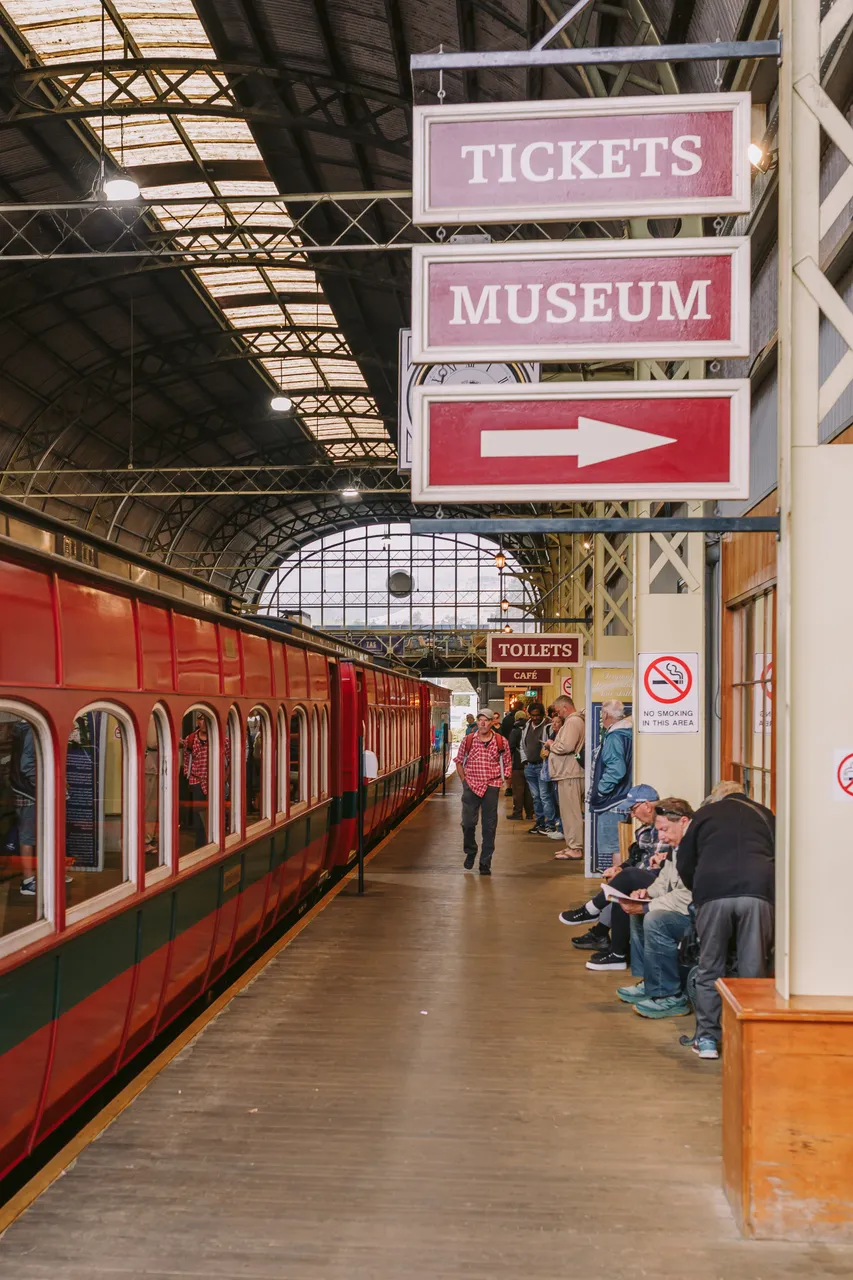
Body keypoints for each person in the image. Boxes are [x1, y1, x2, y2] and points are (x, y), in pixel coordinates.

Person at [676, 780, 775, 1061]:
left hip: (714, 891)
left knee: (710, 966)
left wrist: (699, 891)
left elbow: (685, 860)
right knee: (753, 969)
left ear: (716, 797)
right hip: (758, 893)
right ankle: (750, 1039)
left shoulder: (706, 815)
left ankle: (707, 1038)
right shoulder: (765, 814)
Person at [559, 785, 671, 969]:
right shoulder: (646, 830)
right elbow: (639, 859)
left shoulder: (662, 830)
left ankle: (592, 912)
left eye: (633, 809)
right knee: (622, 886)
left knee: (626, 879)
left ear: (647, 805)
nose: (632, 815)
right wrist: (620, 868)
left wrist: (626, 873)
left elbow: (657, 868)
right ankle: (616, 951)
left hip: (664, 882)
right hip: (653, 877)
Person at [616, 798, 695, 1019]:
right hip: (680, 908)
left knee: (654, 918)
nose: (660, 836)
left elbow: (688, 895)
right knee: (639, 914)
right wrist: (647, 894)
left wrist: (648, 906)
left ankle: (668, 996)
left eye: (664, 829)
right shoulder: (677, 845)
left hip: (697, 916)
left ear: (684, 821)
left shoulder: (696, 848)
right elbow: (664, 880)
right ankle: (650, 982)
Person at [455, 709, 512, 876]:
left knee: (489, 826)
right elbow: (459, 761)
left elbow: (507, 763)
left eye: (486, 720)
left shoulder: (501, 742)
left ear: (492, 722)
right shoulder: (468, 740)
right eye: (480, 720)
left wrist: (504, 781)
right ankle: (471, 850)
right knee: (467, 823)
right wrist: (464, 781)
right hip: (471, 785)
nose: (482, 723)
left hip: (491, 786)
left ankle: (485, 861)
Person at [587, 699, 634, 869]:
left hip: (613, 801)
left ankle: (616, 888)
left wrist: (601, 790)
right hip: (623, 798)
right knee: (621, 845)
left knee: (614, 847)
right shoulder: (628, 733)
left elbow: (617, 769)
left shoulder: (614, 737)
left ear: (606, 715)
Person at [543, 695, 586, 861]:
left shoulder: (573, 722)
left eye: (558, 710)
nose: (557, 714)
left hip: (570, 773)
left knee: (571, 812)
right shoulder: (576, 721)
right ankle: (572, 845)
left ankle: (575, 848)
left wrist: (551, 744)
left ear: (565, 708)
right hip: (570, 772)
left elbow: (566, 746)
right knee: (569, 812)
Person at [520, 703, 561, 838]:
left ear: (542, 714)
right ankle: (539, 822)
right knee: (536, 797)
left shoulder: (548, 726)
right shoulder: (527, 725)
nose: (535, 718)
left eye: (538, 715)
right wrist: (525, 761)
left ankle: (549, 824)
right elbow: (522, 743)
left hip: (542, 766)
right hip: (530, 767)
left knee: (545, 796)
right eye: (532, 715)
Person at [182, 713, 213, 849]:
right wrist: (188, 775)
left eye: (206, 719)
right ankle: (201, 846)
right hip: (197, 781)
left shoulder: (220, 739)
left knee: (214, 814)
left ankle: (213, 841)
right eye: (201, 719)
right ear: (197, 721)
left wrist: (224, 778)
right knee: (199, 817)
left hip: (214, 781)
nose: (204, 723)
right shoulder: (190, 739)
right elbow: (186, 758)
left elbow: (228, 760)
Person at [507, 710, 534, 821]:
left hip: (518, 764)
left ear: (516, 719)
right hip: (530, 763)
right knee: (528, 790)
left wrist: (508, 763)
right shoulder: (530, 729)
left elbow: (510, 748)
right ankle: (529, 813)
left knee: (518, 790)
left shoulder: (515, 731)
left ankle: (518, 813)